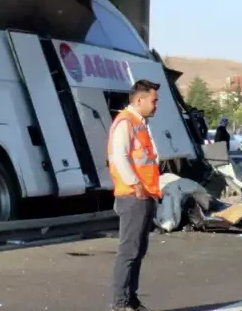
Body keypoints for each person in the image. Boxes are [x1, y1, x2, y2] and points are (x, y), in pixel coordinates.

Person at [107, 79, 162, 311]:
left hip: (145, 194)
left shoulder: (139, 123)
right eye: (154, 100)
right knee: (129, 251)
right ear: (139, 100)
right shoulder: (125, 122)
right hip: (133, 195)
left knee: (138, 251)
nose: (156, 104)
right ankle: (120, 304)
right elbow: (119, 157)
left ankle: (131, 300)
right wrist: (135, 184)